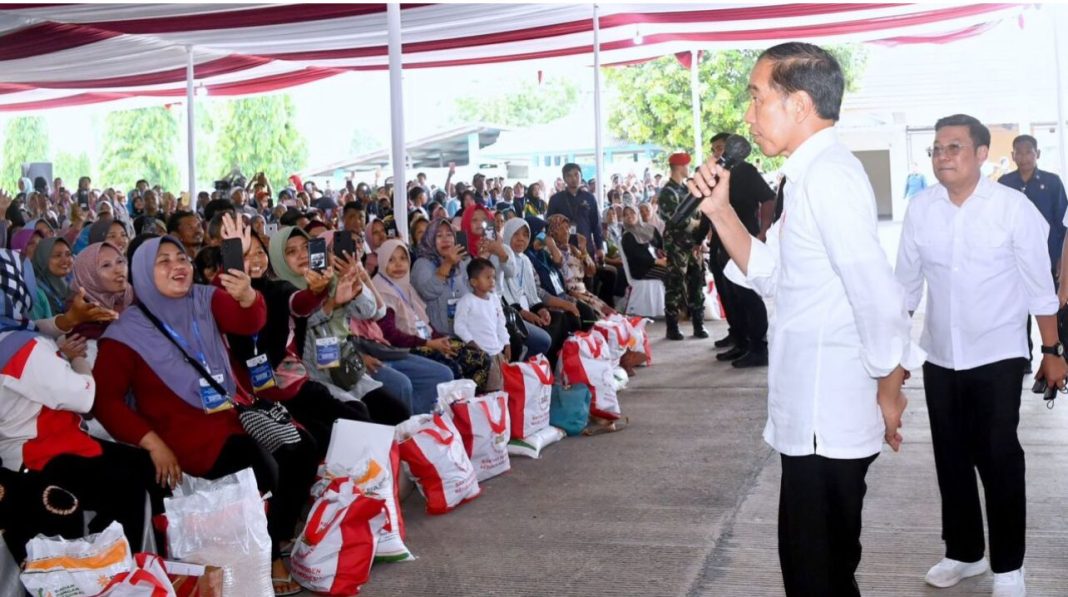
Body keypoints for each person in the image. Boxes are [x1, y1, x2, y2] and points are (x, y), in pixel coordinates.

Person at [687, 42, 920, 596]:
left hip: (829, 415)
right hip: (811, 415)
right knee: (812, 567)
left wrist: (890, 388)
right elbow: (779, 276)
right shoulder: (808, 175)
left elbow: (878, 296)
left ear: (796, 105)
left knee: (819, 575)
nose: (747, 115)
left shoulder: (829, 177)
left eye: (756, 97)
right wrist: (719, 212)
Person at [92, 221, 316, 596]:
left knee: (302, 447)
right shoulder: (125, 333)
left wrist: (246, 296)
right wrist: (152, 443)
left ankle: (272, 541)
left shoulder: (203, 298)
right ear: (142, 274)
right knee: (263, 466)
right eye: (162, 261)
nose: (177, 265)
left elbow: (247, 322)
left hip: (231, 409)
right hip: (183, 431)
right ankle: (271, 556)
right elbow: (104, 401)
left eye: (181, 256)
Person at [896, 115, 1064, 597]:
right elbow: (905, 288)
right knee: (951, 457)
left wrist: (1051, 350)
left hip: (998, 354)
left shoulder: (1012, 209)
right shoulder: (921, 209)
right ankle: (965, 553)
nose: (942, 156)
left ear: (982, 153)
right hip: (942, 355)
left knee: (998, 455)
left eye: (954, 147)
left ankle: (1008, 566)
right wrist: (898, 351)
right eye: (936, 148)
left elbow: (1039, 286)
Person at [0, 248, 160, 556]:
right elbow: (84, 396)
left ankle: (112, 553)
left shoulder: (12, 335)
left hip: (21, 444)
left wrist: (64, 329)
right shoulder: (21, 348)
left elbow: (41, 326)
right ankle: (119, 563)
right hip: (38, 453)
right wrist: (78, 360)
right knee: (131, 480)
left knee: (138, 464)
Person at [221, 231, 374, 454]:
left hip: (296, 385)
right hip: (258, 398)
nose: (255, 260)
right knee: (319, 440)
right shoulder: (222, 300)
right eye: (246, 255)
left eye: (259, 252)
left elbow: (299, 303)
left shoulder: (278, 288)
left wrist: (317, 291)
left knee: (357, 422)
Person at [373, 239, 492, 392]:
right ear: (382, 262)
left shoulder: (406, 287)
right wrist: (430, 344)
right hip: (409, 348)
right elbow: (391, 336)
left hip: (427, 341)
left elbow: (425, 323)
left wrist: (440, 340)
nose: (398, 264)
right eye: (391, 260)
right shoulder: (382, 291)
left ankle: (470, 405)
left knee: (481, 358)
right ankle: (454, 408)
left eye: (403, 258)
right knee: (455, 367)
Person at [998, 134, 1068, 372]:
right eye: (1019, 152)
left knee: (1048, 304)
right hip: (1012, 260)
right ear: (1012, 155)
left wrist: (1060, 258)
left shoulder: (1052, 182)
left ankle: (1055, 351)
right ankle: (1022, 355)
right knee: (1016, 307)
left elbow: (1061, 223)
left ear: (1037, 154)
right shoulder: (1005, 182)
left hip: (1045, 256)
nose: (1024, 157)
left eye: (1029, 152)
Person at [707, 132, 776, 368]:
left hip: (744, 241)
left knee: (746, 295)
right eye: (714, 149)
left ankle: (758, 345)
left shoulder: (746, 171)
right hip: (720, 242)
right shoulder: (717, 174)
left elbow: (768, 199)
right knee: (728, 294)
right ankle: (739, 338)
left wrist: (764, 230)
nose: (717, 153)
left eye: (720, 147)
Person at [500, 218, 577, 369]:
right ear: (508, 234)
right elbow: (503, 297)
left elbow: (533, 292)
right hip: (513, 315)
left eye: (525, 235)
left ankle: (550, 370)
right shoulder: (502, 259)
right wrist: (524, 313)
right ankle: (529, 371)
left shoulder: (525, 260)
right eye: (516, 234)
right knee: (545, 336)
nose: (521, 239)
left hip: (528, 308)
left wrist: (540, 309)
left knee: (559, 318)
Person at [657, 152, 710, 340]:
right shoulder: (668, 192)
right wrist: (695, 225)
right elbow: (673, 219)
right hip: (677, 245)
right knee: (675, 284)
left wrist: (699, 234)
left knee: (696, 282)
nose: (688, 168)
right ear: (679, 167)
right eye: (686, 165)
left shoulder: (686, 189)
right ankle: (672, 327)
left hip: (692, 244)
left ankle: (698, 324)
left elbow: (698, 213)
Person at [454, 258, 510, 391]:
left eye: (493, 277)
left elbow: (500, 323)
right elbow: (459, 326)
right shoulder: (467, 301)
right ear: (473, 282)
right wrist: (471, 342)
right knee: (488, 390)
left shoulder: (494, 299)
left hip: (497, 352)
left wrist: (506, 343)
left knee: (501, 388)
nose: (492, 281)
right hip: (481, 355)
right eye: (487, 277)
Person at [620, 204, 669, 282]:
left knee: (681, 268)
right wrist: (658, 262)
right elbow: (637, 257)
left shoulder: (650, 228)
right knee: (672, 274)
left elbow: (661, 245)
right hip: (643, 269)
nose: (629, 216)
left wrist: (664, 256)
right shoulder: (627, 236)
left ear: (637, 214)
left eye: (632, 213)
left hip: (658, 261)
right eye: (625, 215)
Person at [30, 237, 74, 320]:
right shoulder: (34, 292)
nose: (65, 260)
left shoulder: (73, 281)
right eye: (57, 256)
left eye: (68, 254)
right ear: (43, 258)